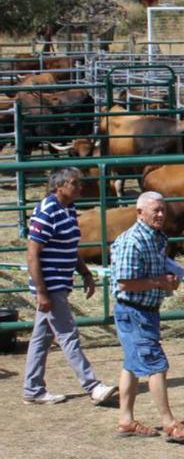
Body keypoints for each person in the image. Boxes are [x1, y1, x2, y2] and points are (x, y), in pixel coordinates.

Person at [22, 167, 118, 406]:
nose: (80, 187)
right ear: (60, 186)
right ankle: (92, 385)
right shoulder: (46, 212)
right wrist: (42, 291)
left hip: (60, 282)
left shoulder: (68, 209)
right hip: (51, 284)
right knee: (67, 334)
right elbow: (32, 254)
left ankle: (32, 388)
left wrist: (84, 272)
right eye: (75, 183)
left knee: (41, 337)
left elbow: (70, 246)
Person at [110, 191, 184, 442]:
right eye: (155, 210)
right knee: (157, 365)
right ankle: (169, 424)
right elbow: (124, 283)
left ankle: (126, 420)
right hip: (135, 312)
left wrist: (169, 279)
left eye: (162, 210)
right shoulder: (132, 241)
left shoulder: (155, 238)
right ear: (139, 213)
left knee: (132, 365)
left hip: (141, 312)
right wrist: (161, 282)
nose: (160, 215)